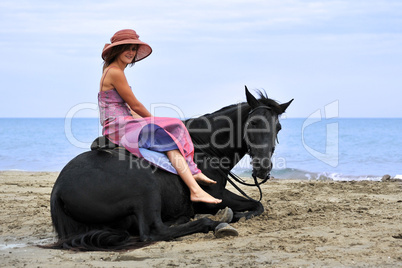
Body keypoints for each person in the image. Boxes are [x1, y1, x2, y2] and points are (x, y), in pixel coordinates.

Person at [99, 29, 222, 204]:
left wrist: (146, 121)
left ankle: (193, 174)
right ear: (116, 50)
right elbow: (135, 105)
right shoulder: (115, 72)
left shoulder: (113, 70)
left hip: (120, 122)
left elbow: (124, 107)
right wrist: (153, 122)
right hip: (118, 126)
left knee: (168, 140)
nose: (131, 53)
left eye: (134, 49)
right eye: (127, 48)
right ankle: (195, 187)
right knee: (174, 125)